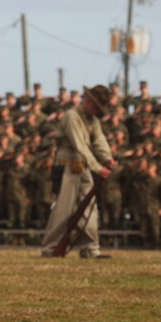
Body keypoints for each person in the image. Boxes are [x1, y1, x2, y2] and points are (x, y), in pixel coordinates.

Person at [39, 85, 116, 258]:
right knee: (63, 209)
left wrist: (108, 158)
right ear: (88, 101)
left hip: (83, 165)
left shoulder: (93, 121)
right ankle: (51, 247)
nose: (97, 111)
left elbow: (99, 140)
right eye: (96, 106)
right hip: (67, 165)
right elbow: (79, 144)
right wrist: (98, 167)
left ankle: (90, 248)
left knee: (89, 208)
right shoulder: (71, 116)